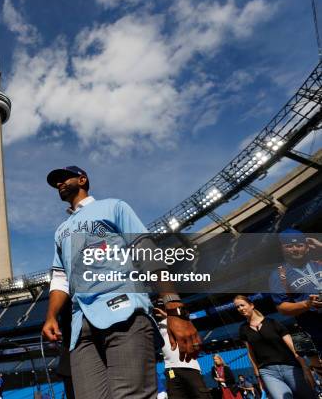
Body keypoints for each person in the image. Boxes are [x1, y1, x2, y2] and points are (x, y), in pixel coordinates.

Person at [41, 166, 201, 399]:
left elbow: (146, 252)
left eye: (64, 178)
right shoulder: (61, 230)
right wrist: (51, 316)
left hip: (124, 311)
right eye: (56, 182)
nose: (59, 184)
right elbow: (60, 278)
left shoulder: (113, 206)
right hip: (81, 326)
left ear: (82, 179)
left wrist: (175, 309)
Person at [234, 294, 316, 399]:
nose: (240, 308)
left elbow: (292, 346)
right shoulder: (243, 329)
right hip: (267, 372)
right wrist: (258, 375)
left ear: (252, 305)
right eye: (237, 307)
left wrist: (305, 368)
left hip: (290, 367)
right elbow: (250, 353)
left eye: (242, 305)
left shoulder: (273, 323)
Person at [268, 229, 322, 376]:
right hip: (316, 330)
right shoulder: (279, 275)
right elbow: (282, 307)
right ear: (282, 248)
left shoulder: (319, 261)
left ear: (306, 246)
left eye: (299, 245)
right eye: (289, 246)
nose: (295, 249)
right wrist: (307, 304)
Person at [154, 306, 212, 399]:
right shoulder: (156, 327)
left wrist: (168, 316)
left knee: (200, 395)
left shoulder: (180, 321)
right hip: (170, 368)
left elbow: (187, 322)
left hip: (189, 366)